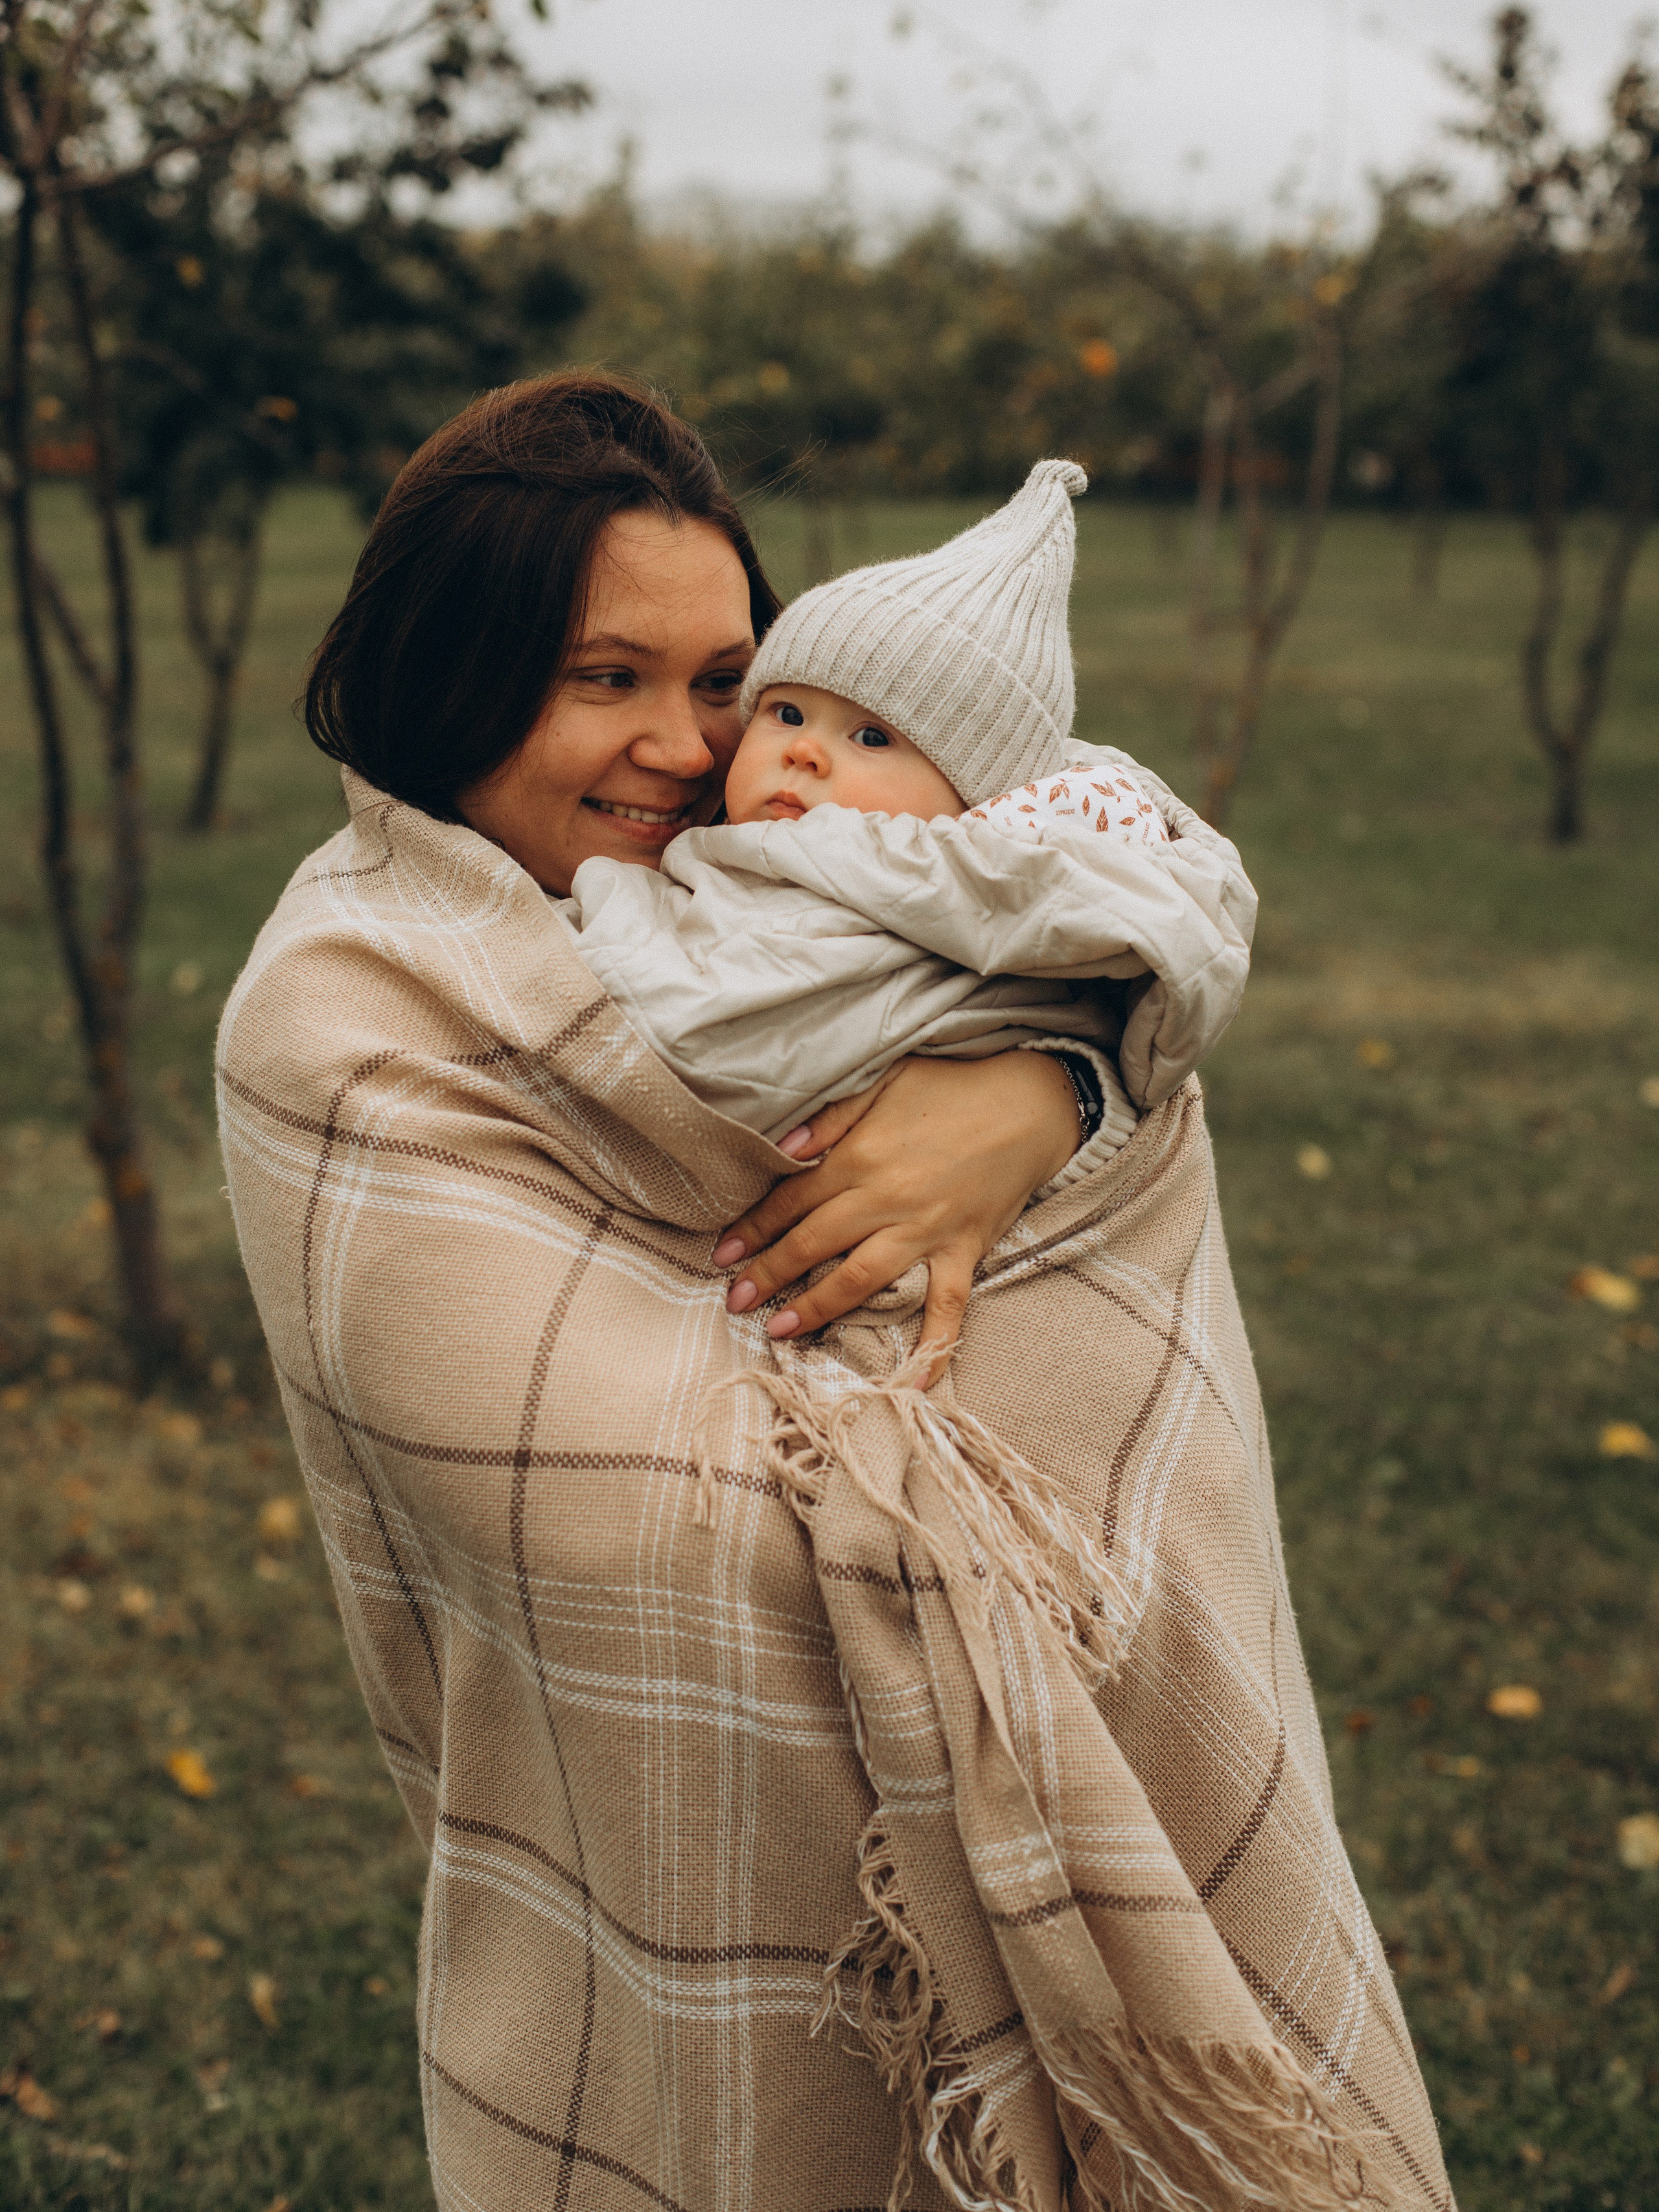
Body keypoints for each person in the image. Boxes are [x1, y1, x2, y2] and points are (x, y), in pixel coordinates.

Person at [218, 371, 1452, 2212]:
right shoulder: (353, 1010)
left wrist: (1054, 1086)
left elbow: (1135, 900)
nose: (688, 744)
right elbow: (634, 1520)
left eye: (727, 677)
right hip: (693, 1897)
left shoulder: (848, 886)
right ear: (450, 671)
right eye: (604, 677)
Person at [557, 458, 1239, 1169]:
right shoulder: (718, 848)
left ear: (973, 803)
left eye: (872, 738)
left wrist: (1056, 1093)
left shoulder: (960, 886)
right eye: (786, 712)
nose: (804, 752)